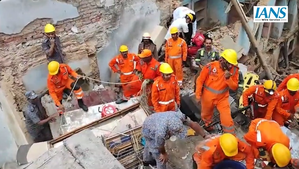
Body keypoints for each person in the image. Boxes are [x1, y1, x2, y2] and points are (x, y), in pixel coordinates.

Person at [142, 111, 208, 169]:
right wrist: (164, 154)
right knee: (159, 155)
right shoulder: (160, 133)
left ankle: (146, 159)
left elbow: (193, 124)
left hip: (155, 119)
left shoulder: (180, 116)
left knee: (149, 144)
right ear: (169, 131)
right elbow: (160, 146)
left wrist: (205, 135)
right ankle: (149, 162)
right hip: (148, 127)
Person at [195, 49, 239, 134]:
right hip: (208, 97)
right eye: (228, 64)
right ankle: (208, 128)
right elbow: (200, 81)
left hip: (222, 98)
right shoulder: (210, 67)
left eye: (231, 64)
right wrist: (198, 95)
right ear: (222, 60)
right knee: (206, 116)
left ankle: (230, 136)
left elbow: (234, 87)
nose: (230, 66)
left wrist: (228, 78)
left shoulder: (233, 70)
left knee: (227, 119)